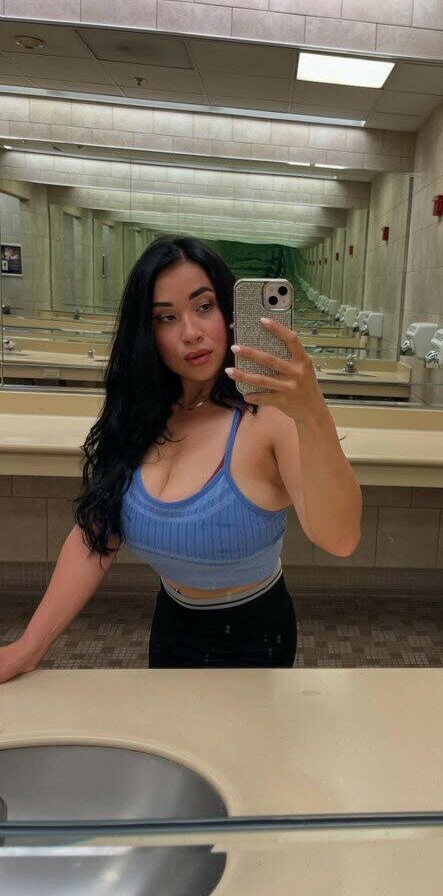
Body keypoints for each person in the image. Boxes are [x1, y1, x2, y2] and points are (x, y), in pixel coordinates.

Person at [0, 236, 362, 682]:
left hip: (255, 638)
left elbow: (340, 539)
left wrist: (312, 414)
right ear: (146, 331)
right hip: (171, 625)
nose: (190, 332)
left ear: (230, 312)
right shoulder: (140, 415)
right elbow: (96, 531)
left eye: (204, 306)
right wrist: (29, 648)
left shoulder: (269, 418)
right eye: (166, 317)